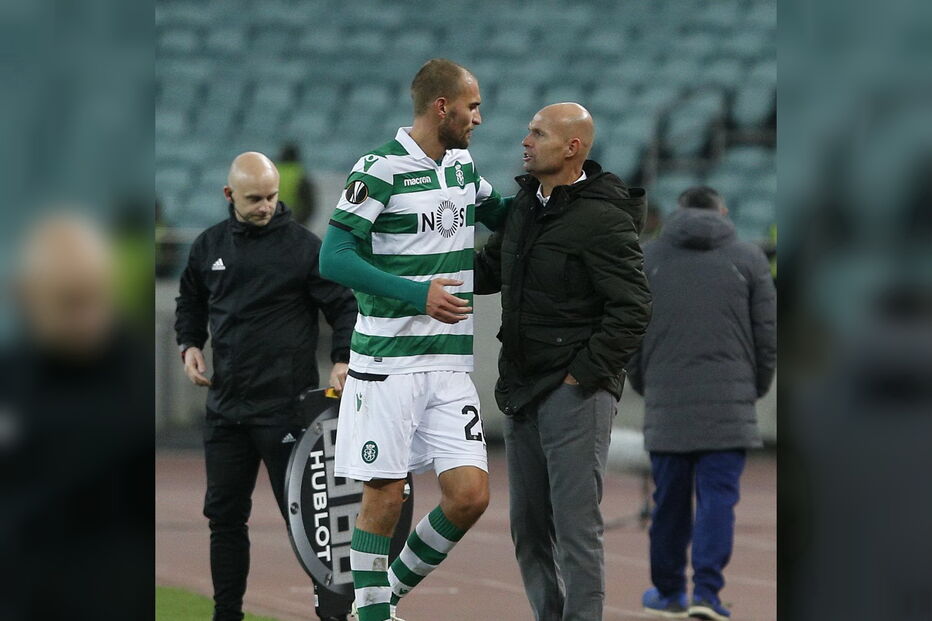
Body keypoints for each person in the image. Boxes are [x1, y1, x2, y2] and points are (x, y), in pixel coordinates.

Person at [318, 58, 508, 621]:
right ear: (441, 107)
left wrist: (568, 194)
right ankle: (375, 614)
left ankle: (379, 600)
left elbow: (502, 213)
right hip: (387, 365)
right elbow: (333, 256)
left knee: (470, 495)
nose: (480, 117)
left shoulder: (462, 167)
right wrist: (415, 293)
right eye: (472, 106)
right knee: (384, 497)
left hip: (448, 366)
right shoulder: (379, 169)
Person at [474, 102, 652, 621]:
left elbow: (634, 308)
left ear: (572, 147)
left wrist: (585, 374)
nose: (525, 142)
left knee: (576, 530)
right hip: (521, 387)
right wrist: (420, 268)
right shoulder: (525, 206)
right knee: (528, 530)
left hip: (573, 391)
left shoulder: (602, 219)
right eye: (529, 132)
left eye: (538, 133)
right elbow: (488, 270)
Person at [174, 152, 358, 621]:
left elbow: (343, 306)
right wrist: (190, 344)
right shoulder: (207, 246)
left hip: (288, 411)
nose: (264, 206)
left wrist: (342, 360)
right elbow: (191, 299)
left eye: (271, 197)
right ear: (228, 195)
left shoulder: (304, 248)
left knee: (312, 525)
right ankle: (226, 615)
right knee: (224, 520)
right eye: (254, 198)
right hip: (226, 410)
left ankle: (334, 613)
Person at [626, 186, 776, 620]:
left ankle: (669, 592)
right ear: (722, 211)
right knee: (718, 501)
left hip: (668, 400)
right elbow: (767, 337)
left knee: (668, 502)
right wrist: (753, 388)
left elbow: (630, 331)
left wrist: (646, 383)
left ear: (679, 211)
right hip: (730, 403)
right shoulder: (749, 259)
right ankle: (707, 594)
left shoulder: (647, 258)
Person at [276, 142, 317, 227]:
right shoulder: (300, 174)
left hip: (274, 219)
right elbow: (309, 204)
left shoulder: (272, 172)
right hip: (294, 220)